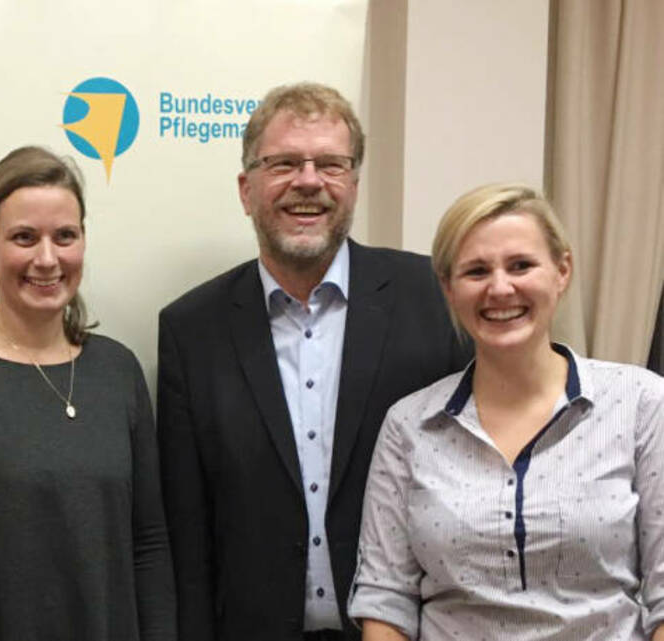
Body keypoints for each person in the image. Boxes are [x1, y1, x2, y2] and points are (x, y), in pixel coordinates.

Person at [156, 82, 469, 641]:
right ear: (246, 189)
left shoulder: (433, 298)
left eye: (330, 164)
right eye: (283, 164)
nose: (308, 181)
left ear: (353, 185)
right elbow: (189, 530)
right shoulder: (191, 330)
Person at [349, 184, 664, 640]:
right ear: (448, 288)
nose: (500, 288)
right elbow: (385, 600)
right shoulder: (409, 426)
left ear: (562, 271)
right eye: (476, 271)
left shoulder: (641, 403)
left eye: (521, 265)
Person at [0, 146, 175, 641]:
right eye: (24, 237)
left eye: (65, 236)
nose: (47, 259)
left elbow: (149, 545)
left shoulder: (118, 371)